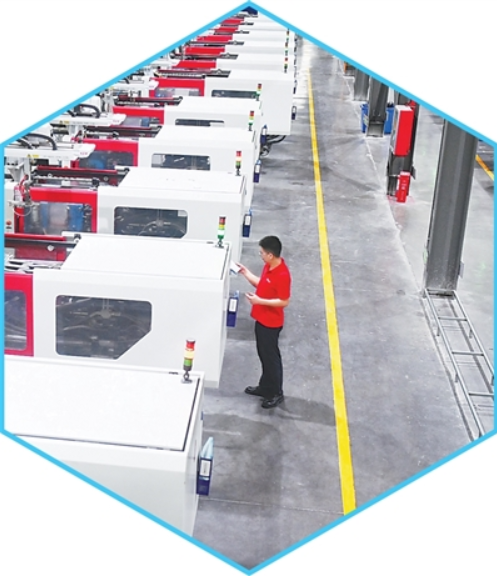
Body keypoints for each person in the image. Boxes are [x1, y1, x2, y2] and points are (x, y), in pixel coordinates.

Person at [237, 236, 291, 409]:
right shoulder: (269, 266)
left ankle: (276, 392)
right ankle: (265, 386)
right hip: (261, 319)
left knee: (271, 358)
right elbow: (263, 285)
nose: (260, 255)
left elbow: (284, 301)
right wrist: (246, 273)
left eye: (261, 253)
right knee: (263, 355)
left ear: (270, 254)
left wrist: (260, 301)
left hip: (271, 323)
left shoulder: (282, 275)